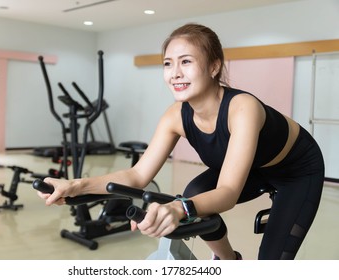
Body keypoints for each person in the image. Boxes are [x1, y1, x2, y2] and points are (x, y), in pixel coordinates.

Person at [37, 23, 325, 260]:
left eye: (186, 62)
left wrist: (179, 208)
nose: (174, 73)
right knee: (195, 191)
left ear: (214, 67)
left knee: (271, 262)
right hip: (253, 167)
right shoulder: (175, 116)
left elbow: (226, 192)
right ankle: (229, 262)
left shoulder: (242, 108)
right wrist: (74, 186)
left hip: (296, 171)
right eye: (167, 64)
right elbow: (137, 175)